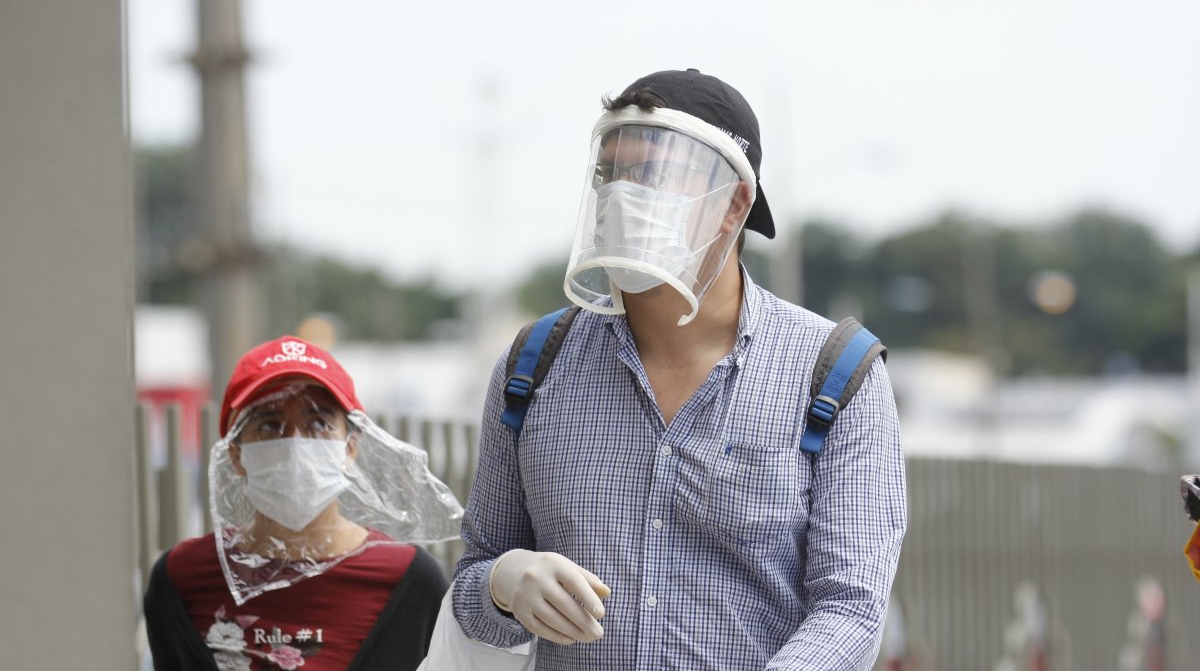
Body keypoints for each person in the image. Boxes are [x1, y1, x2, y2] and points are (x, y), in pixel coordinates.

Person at [452, 68, 907, 670]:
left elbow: (851, 609)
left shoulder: (837, 375)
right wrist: (501, 585)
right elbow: (473, 589)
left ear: (734, 204)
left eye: (650, 174)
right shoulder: (534, 366)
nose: (620, 195)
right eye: (608, 173)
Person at [144, 336, 463, 670]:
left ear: (349, 447)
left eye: (318, 423)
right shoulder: (182, 578)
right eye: (269, 425)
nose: (295, 443)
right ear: (237, 455)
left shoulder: (410, 582)